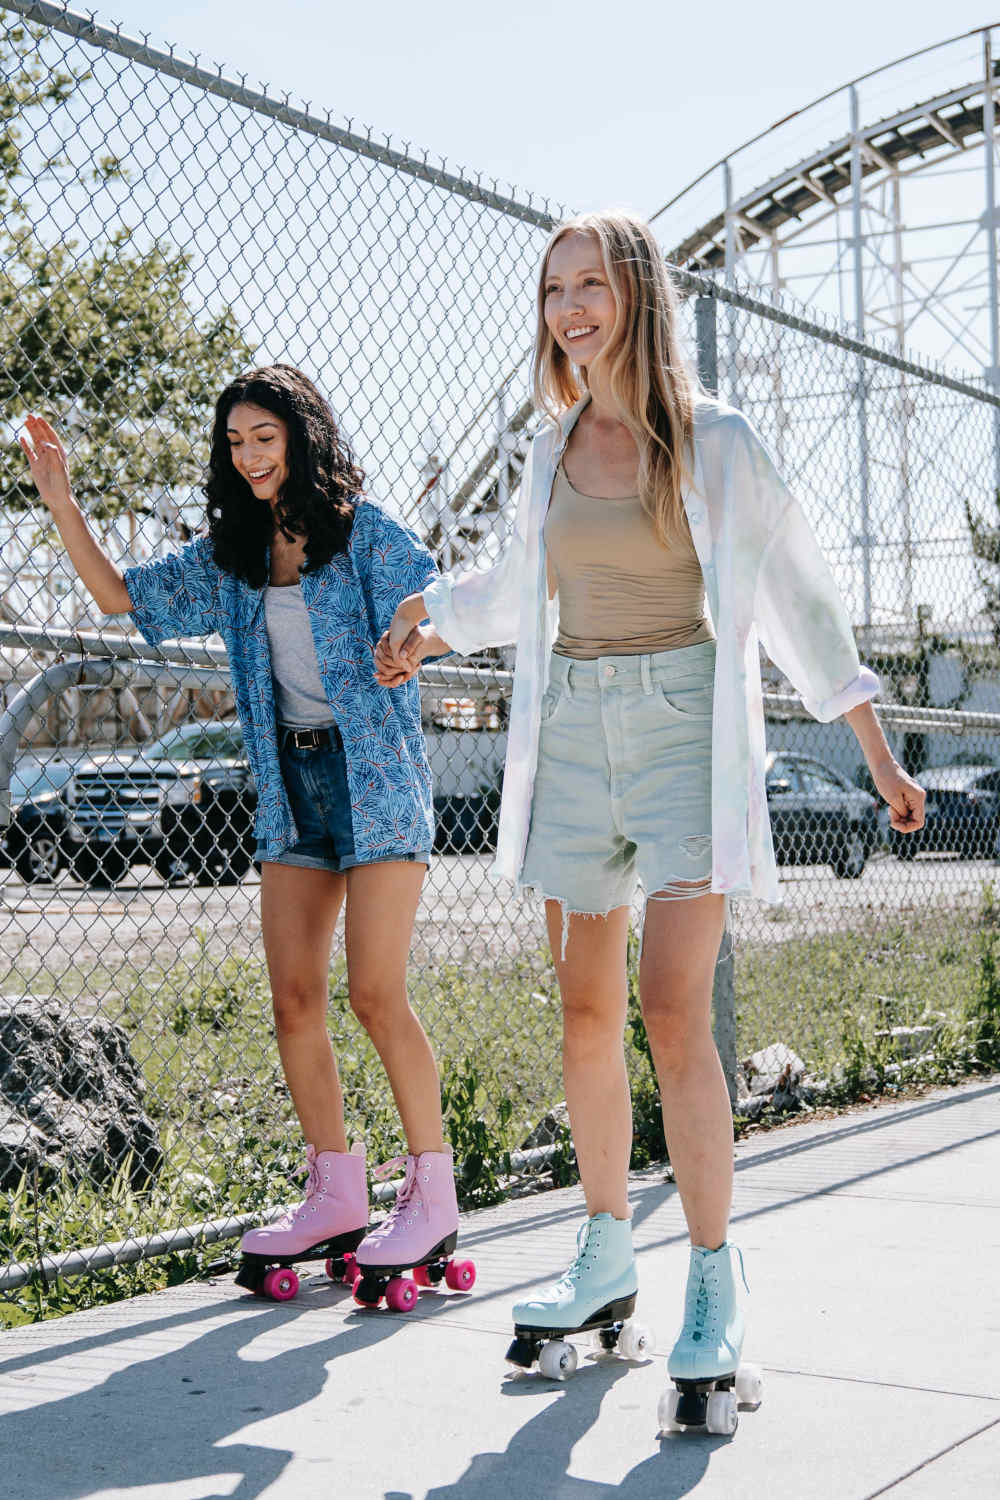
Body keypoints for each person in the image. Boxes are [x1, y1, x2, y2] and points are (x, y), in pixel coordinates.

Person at [376, 213, 925, 1416]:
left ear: (636, 294)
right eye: (553, 289)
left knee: (672, 1008)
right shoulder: (551, 447)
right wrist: (427, 617)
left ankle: (715, 1276)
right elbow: (518, 586)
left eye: (591, 283)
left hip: (685, 735)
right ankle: (604, 1247)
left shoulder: (716, 442)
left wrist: (875, 752)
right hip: (575, 735)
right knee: (583, 1007)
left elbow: (800, 601)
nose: (570, 308)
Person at [18, 365, 468, 1303]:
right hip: (289, 785)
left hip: (375, 781)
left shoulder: (364, 532)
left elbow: (437, 601)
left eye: (265, 437)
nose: (251, 456)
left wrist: (412, 642)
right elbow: (119, 597)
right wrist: (61, 503)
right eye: (235, 442)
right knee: (294, 1001)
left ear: (302, 437)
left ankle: (432, 1197)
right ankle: (336, 1196)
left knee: (374, 994)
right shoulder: (232, 554)